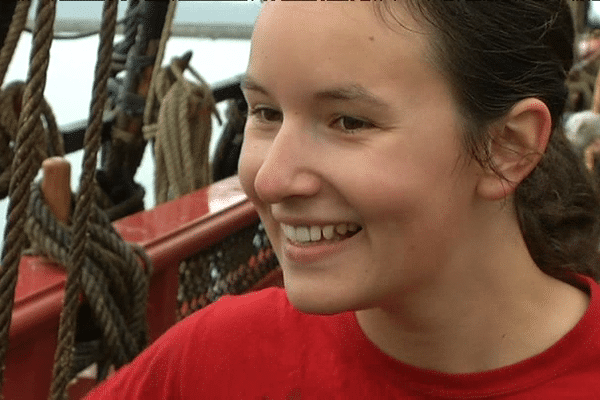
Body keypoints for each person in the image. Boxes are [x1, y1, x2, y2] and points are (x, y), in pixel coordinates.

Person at [85, 1, 600, 398]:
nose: (270, 180)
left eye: (349, 121)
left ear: (509, 147)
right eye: (265, 112)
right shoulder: (209, 363)